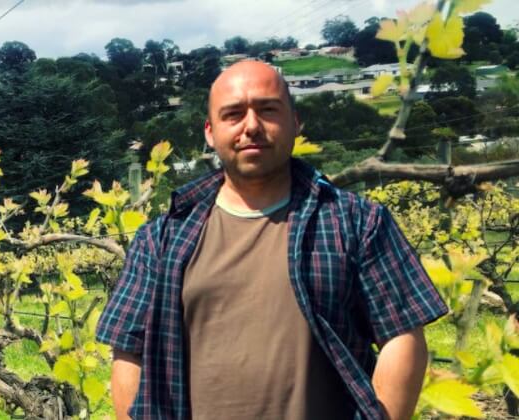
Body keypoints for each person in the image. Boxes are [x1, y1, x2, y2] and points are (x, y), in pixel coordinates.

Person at [96, 60, 447, 420]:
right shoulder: (160, 238)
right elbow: (128, 350)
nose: (251, 126)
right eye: (233, 114)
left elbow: (401, 336)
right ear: (210, 132)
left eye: (267, 110)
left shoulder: (357, 222)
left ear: (295, 122)